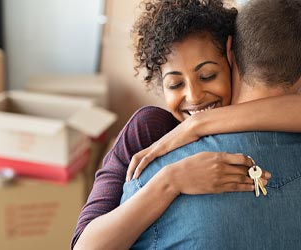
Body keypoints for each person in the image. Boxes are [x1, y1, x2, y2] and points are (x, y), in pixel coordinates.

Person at [72, 0, 301, 249]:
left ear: (231, 58)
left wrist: (199, 124)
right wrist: (171, 180)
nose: (194, 97)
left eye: (208, 76)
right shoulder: (149, 130)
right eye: (175, 84)